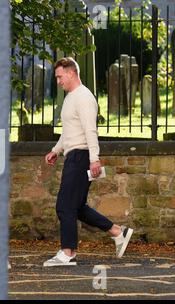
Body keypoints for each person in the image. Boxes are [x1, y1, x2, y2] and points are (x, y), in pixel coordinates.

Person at [43, 57, 133, 267]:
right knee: (77, 206)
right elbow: (69, 132)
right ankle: (118, 232)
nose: (58, 81)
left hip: (81, 157)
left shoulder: (83, 97)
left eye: (59, 77)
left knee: (64, 206)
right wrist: (56, 150)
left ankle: (67, 253)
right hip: (73, 155)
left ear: (71, 73)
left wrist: (94, 159)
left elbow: (90, 131)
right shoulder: (70, 98)